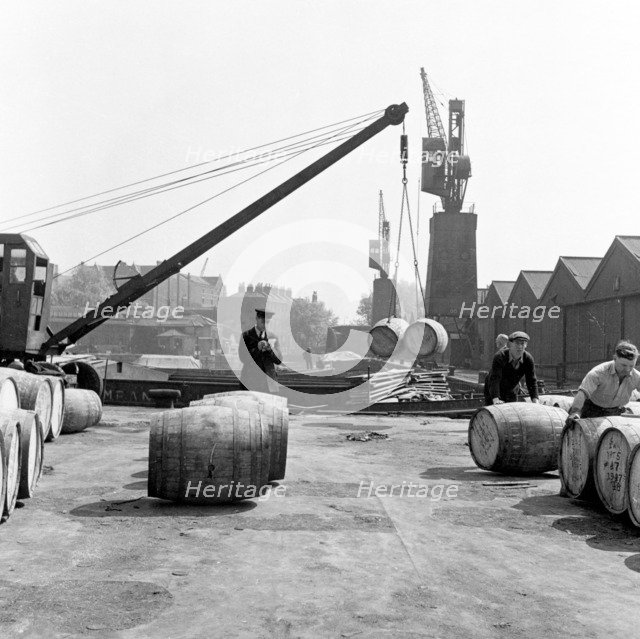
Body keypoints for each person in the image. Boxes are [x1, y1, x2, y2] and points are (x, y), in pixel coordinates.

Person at [567, 341, 640, 420]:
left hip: (615, 412)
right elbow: (582, 393)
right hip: (592, 410)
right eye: (624, 365)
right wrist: (575, 412)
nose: (627, 369)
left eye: (631, 366)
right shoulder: (598, 373)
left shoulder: (637, 377)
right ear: (615, 358)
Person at [484, 331, 540, 406]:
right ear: (510, 345)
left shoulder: (528, 359)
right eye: (517, 343)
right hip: (493, 390)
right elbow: (495, 379)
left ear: (526, 345)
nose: (520, 347)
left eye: (522, 344)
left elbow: (531, 381)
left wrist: (535, 401)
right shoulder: (500, 356)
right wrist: (496, 399)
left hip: (511, 390)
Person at [238, 308, 282, 393]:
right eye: (263, 322)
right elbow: (243, 358)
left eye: (268, 323)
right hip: (250, 381)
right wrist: (257, 349)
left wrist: (270, 350)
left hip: (269, 383)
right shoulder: (246, 336)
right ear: (257, 319)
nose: (265, 325)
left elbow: (278, 360)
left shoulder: (273, 336)